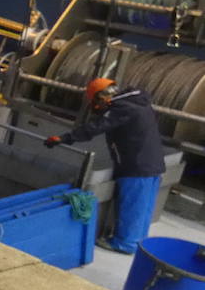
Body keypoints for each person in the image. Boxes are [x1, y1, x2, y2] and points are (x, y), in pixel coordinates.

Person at [45, 77, 166, 254]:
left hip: (136, 165)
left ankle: (125, 243)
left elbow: (95, 127)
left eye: (94, 102)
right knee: (143, 207)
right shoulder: (135, 102)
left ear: (101, 98)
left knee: (132, 206)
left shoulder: (121, 109)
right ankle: (138, 240)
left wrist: (64, 138)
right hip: (152, 163)